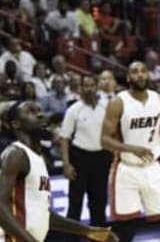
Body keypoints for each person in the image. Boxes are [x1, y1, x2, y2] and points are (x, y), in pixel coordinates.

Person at [0, 100, 118, 242]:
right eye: (31, 111)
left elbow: (44, 214)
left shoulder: (37, 157)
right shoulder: (15, 154)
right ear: (15, 124)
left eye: (39, 110)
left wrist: (88, 230)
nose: (39, 115)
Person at [100, 61, 160, 242]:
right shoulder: (118, 102)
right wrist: (132, 148)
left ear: (148, 75)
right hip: (127, 169)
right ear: (129, 77)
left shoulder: (159, 99)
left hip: (152, 167)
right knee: (126, 231)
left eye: (143, 71)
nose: (140, 75)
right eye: (135, 72)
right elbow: (104, 140)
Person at [59, 75, 114, 238]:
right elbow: (64, 137)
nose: (89, 88)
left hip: (102, 157)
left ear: (96, 87)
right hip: (80, 157)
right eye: (85, 86)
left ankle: (99, 238)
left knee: (99, 202)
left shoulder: (107, 107)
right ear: (81, 89)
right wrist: (66, 164)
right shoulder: (74, 109)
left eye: (91, 85)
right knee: (75, 203)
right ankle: (70, 239)